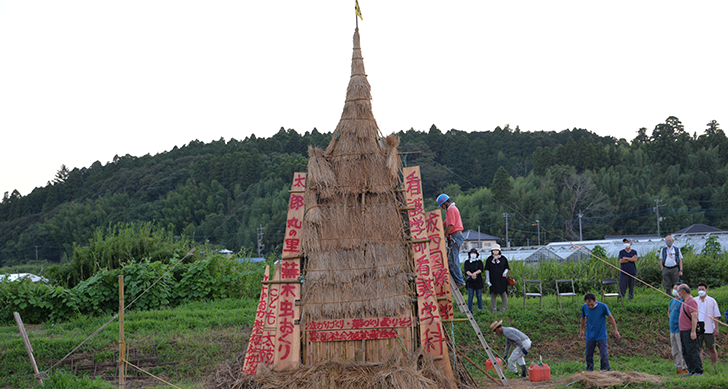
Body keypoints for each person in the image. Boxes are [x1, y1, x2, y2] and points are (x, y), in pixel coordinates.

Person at [580, 293, 621, 371]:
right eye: (588, 304)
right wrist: (581, 330)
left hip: (601, 335)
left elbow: (611, 318)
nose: (590, 306)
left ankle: (605, 371)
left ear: (595, 301)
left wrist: (616, 330)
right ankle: (590, 370)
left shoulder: (603, 307)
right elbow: (583, 318)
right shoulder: (584, 307)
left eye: (591, 304)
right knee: (588, 354)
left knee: (604, 355)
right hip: (590, 335)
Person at [437, 194, 465, 287]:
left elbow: (451, 225)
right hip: (456, 236)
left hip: (455, 236)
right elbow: (446, 222)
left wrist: (444, 235)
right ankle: (458, 279)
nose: (442, 208)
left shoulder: (451, 210)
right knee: (451, 258)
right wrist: (438, 226)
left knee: (453, 259)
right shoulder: (451, 209)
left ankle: (459, 281)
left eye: (442, 206)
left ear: (445, 203)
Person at [677, 284, 703, 376]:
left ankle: (698, 371)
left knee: (693, 351)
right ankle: (691, 370)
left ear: (683, 292)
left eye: (678, 291)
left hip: (689, 330)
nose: (677, 293)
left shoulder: (691, 301)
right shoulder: (684, 301)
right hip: (683, 331)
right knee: (686, 351)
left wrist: (693, 331)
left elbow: (694, 317)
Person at [696, 282, 721, 369]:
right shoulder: (694, 300)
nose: (701, 291)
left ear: (706, 290)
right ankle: (700, 367)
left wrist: (716, 328)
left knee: (711, 348)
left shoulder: (712, 301)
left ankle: (714, 367)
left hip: (709, 327)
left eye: (703, 289)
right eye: (699, 289)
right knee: (699, 348)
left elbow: (716, 316)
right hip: (698, 327)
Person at [668, 283, 688, 375]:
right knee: (675, 350)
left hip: (679, 329)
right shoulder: (672, 301)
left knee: (681, 349)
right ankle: (678, 368)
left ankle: (685, 368)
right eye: (674, 288)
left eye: (677, 289)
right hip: (672, 329)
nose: (675, 290)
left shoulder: (683, 301)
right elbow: (669, 311)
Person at [484, 244, 510, 313]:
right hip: (493, 279)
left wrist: (505, 272)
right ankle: (494, 308)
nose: (495, 252)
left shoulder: (503, 258)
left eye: (496, 250)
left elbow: (507, 267)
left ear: (499, 251)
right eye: (494, 250)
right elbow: (487, 269)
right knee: (493, 294)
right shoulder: (489, 259)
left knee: (503, 294)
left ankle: (504, 308)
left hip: (502, 279)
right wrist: (487, 278)